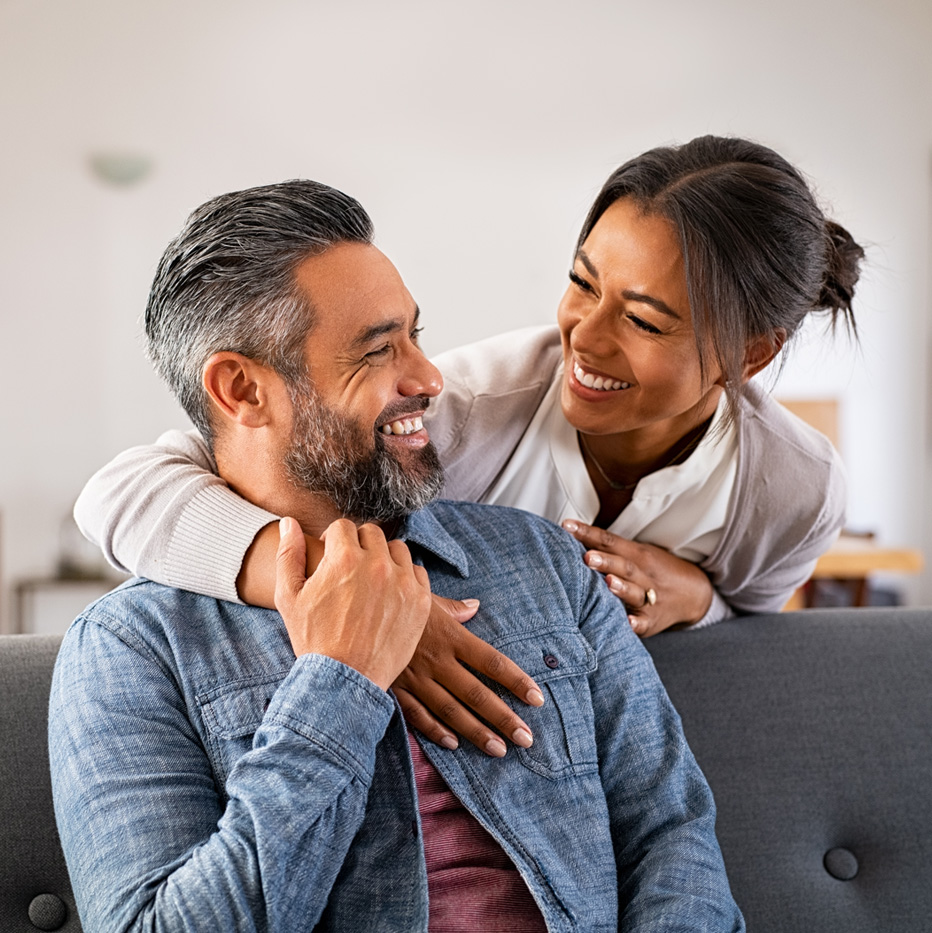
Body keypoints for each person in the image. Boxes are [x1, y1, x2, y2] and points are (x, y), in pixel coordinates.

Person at [49, 180, 744, 932]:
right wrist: (337, 684)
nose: (429, 377)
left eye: (415, 334)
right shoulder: (131, 648)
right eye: (379, 350)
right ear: (242, 388)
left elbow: (672, 832)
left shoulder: (544, 560)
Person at [74, 135, 864, 755]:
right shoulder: (467, 408)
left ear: (750, 354)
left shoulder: (793, 489)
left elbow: (754, 633)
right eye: (582, 282)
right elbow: (121, 493)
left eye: (645, 319)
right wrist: (360, 600)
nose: (582, 338)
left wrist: (701, 600)